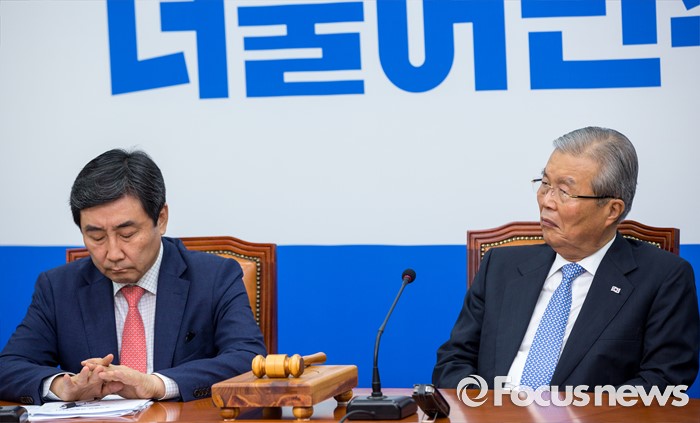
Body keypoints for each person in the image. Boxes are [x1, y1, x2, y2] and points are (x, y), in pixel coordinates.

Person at [432, 127, 699, 391]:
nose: (547, 201)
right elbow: (454, 361)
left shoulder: (663, 278)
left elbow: (664, 379)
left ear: (612, 210)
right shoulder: (500, 266)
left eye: (564, 192)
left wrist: (574, 410)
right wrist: (487, 408)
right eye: (545, 184)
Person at [0, 149, 267, 404]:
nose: (113, 253)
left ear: (161, 219)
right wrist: (61, 386)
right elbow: (8, 367)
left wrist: (157, 384)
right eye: (96, 237)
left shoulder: (215, 277)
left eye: (127, 234)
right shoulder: (58, 288)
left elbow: (249, 358)